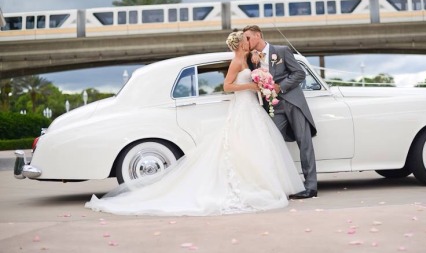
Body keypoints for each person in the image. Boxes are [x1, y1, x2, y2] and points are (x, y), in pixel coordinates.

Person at [84, 30, 304, 216]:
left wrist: (258, 73)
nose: (250, 42)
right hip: (243, 107)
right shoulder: (236, 62)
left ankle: (263, 183)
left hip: (251, 108)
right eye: (246, 39)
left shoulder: (246, 60)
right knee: (241, 148)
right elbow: (227, 87)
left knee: (255, 147)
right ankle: (251, 185)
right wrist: (252, 87)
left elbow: (254, 69)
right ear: (241, 44)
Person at [243, 25, 318, 199]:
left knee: (304, 142)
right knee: (272, 143)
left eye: (248, 38)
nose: (246, 42)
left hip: (293, 102)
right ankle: (278, 186)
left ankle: (311, 186)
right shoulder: (250, 59)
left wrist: (280, 87)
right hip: (272, 107)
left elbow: (299, 73)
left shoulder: (282, 51)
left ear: (258, 35)